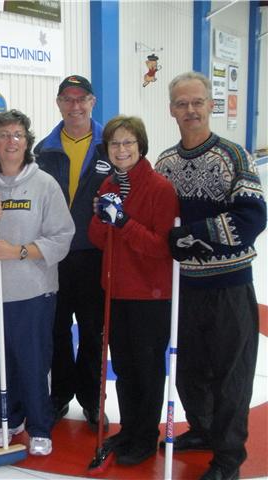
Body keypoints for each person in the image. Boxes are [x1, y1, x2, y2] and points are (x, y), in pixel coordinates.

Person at [156, 71, 266, 480]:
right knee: (189, 369)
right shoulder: (165, 163)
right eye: (182, 104)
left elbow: (253, 217)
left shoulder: (234, 157)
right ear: (171, 110)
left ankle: (228, 457)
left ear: (210, 105)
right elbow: (159, 223)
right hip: (183, 288)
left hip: (228, 286)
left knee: (230, 376)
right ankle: (202, 430)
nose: (190, 110)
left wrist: (192, 235)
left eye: (197, 102)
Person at [0, 110, 74, 456]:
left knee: (33, 360)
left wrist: (18, 251)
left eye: (18, 135)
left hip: (34, 291)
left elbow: (62, 237)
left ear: (27, 142)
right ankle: (9, 418)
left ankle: (39, 424)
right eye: (4, 135)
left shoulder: (44, 185)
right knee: (2, 360)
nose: (11, 141)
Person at [88, 115, 179, 465]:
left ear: (140, 146)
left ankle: (145, 435)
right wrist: (101, 217)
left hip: (148, 294)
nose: (121, 149)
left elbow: (161, 247)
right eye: (115, 144)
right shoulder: (108, 185)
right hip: (116, 290)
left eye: (128, 143)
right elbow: (98, 240)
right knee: (124, 367)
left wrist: (124, 222)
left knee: (147, 367)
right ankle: (129, 428)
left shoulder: (159, 188)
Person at [34, 75, 112, 430]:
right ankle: (60, 394)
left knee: (95, 331)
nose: (75, 106)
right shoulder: (44, 150)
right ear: (59, 103)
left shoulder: (109, 145)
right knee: (56, 329)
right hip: (55, 256)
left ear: (93, 102)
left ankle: (93, 400)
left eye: (82, 99)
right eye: (68, 99)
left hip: (95, 254)